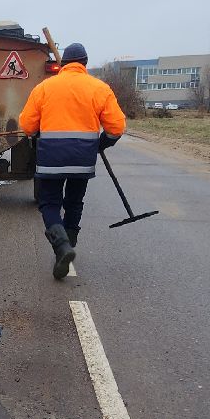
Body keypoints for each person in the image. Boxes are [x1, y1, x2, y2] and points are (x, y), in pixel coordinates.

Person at [18, 42, 127, 279]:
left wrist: (38, 134)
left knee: (49, 204)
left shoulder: (44, 88)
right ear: (85, 64)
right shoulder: (99, 88)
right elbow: (117, 127)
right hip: (82, 158)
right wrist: (102, 144)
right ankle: (69, 244)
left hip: (51, 159)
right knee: (75, 202)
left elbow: (26, 125)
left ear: (63, 64)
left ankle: (62, 247)